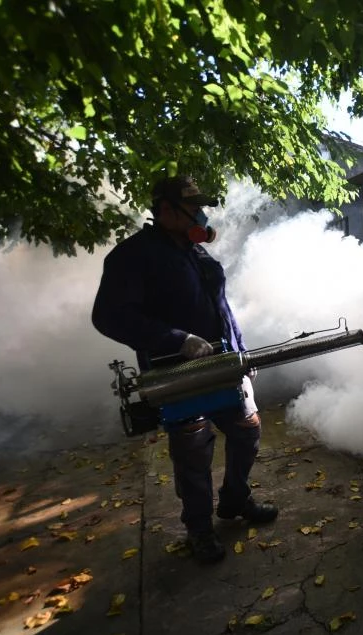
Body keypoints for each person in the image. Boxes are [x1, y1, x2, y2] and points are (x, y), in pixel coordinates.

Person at [91, 175, 278, 564]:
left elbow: (222, 311)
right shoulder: (132, 256)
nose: (202, 213)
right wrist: (176, 339)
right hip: (176, 373)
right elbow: (109, 316)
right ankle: (199, 529)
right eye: (192, 206)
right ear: (164, 211)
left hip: (224, 364)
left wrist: (242, 353)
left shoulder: (199, 254)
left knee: (247, 430)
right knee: (193, 450)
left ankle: (234, 499)